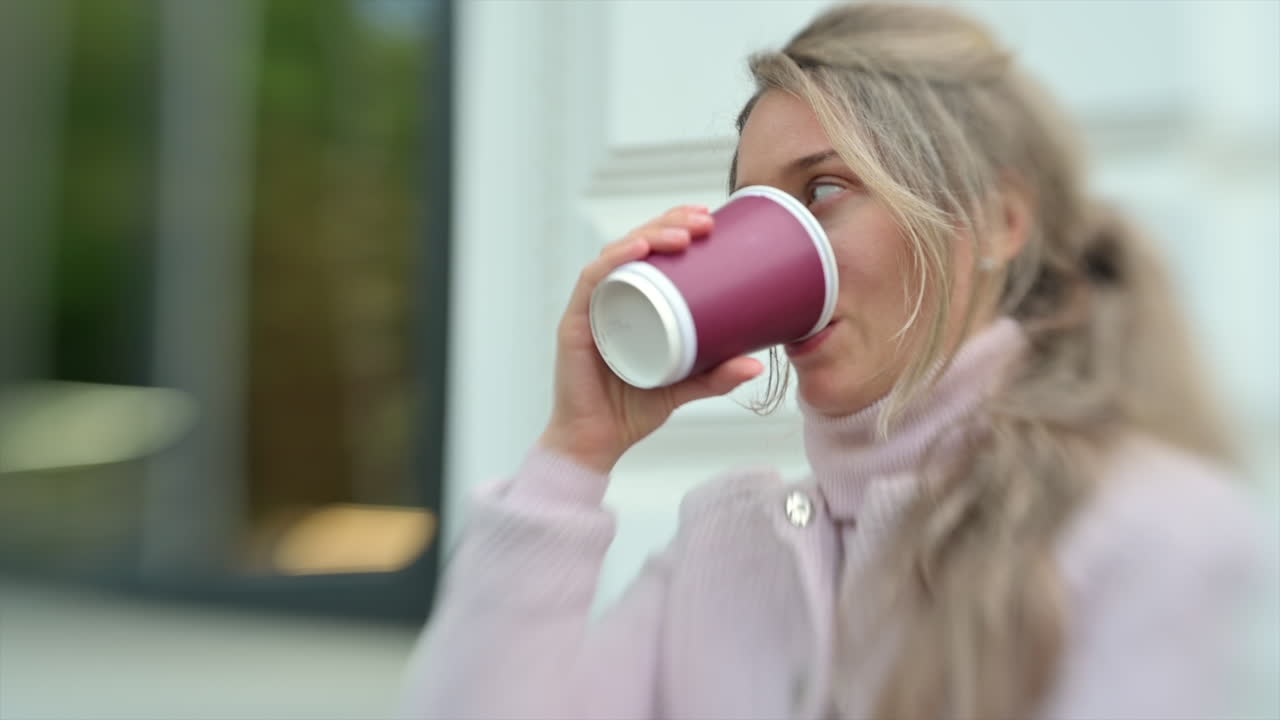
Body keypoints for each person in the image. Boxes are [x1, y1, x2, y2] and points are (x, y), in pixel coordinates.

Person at [404, 3, 1263, 718]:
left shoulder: (1147, 531)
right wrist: (573, 454)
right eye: (752, 214)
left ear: (1001, 220)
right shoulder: (727, 544)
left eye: (823, 190)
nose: (782, 247)